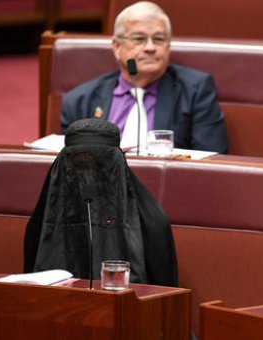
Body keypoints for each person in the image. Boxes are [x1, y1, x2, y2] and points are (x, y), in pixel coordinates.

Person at [24, 118, 178, 287]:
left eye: (100, 165)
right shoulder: (40, 224)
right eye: (79, 163)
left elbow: (164, 300)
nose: (88, 175)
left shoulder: (152, 224)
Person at [60, 1, 228, 154]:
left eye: (158, 39)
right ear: (117, 46)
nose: (150, 47)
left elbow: (211, 158)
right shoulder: (80, 101)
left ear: (168, 46)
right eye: (139, 39)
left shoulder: (195, 91)